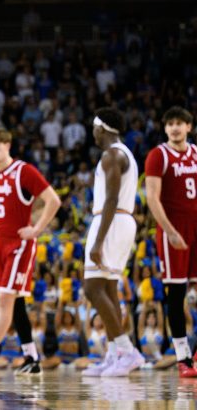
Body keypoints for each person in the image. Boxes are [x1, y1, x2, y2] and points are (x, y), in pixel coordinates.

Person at [0, 128, 60, 375]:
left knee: (4, 298)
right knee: (16, 304)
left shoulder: (23, 171)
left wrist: (36, 229)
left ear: (8, 144)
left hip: (19, 244)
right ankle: (31, 358)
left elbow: (53, 200)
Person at [79, 107, 143, 377]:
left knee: (92, 288)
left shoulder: (112, 155)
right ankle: (115, 353)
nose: (92, 133)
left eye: (94, 128)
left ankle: (127, 351)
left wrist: (97, 242)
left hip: (112, 220)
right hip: (120, 220)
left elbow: (111, 199)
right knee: (108, 287)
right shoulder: (123, 153)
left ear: (101, 129)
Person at [143, 107, 197, 377]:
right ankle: (182, 356)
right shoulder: (158, 155)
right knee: (175, 295)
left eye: (180, 123)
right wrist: (170, 231)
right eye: (170, 124)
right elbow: (152, 198)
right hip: (173, 230)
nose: (175, 128)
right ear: (165, 128)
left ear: (189, 126)